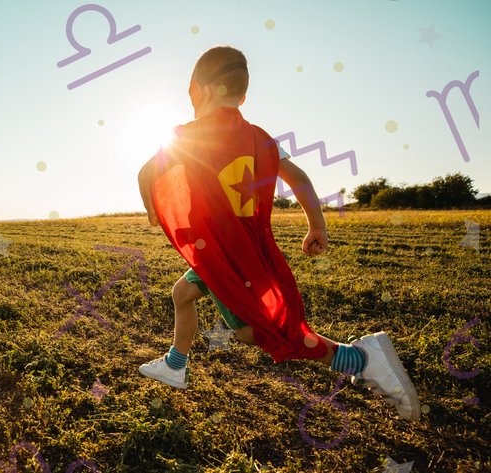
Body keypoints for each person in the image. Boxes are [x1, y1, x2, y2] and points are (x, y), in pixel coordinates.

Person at [136, 45, 420, 421]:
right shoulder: (261, 139)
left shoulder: (188, 137)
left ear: (202, 90)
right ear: (243, 93)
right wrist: (316, 225)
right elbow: (298, 177)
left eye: (190, 94)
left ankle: (360, 359)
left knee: (260, 333)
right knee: (183, 292)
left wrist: (153, 208)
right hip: (241, 249)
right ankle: (175, 365)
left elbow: (147, 173)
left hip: (226, 255)